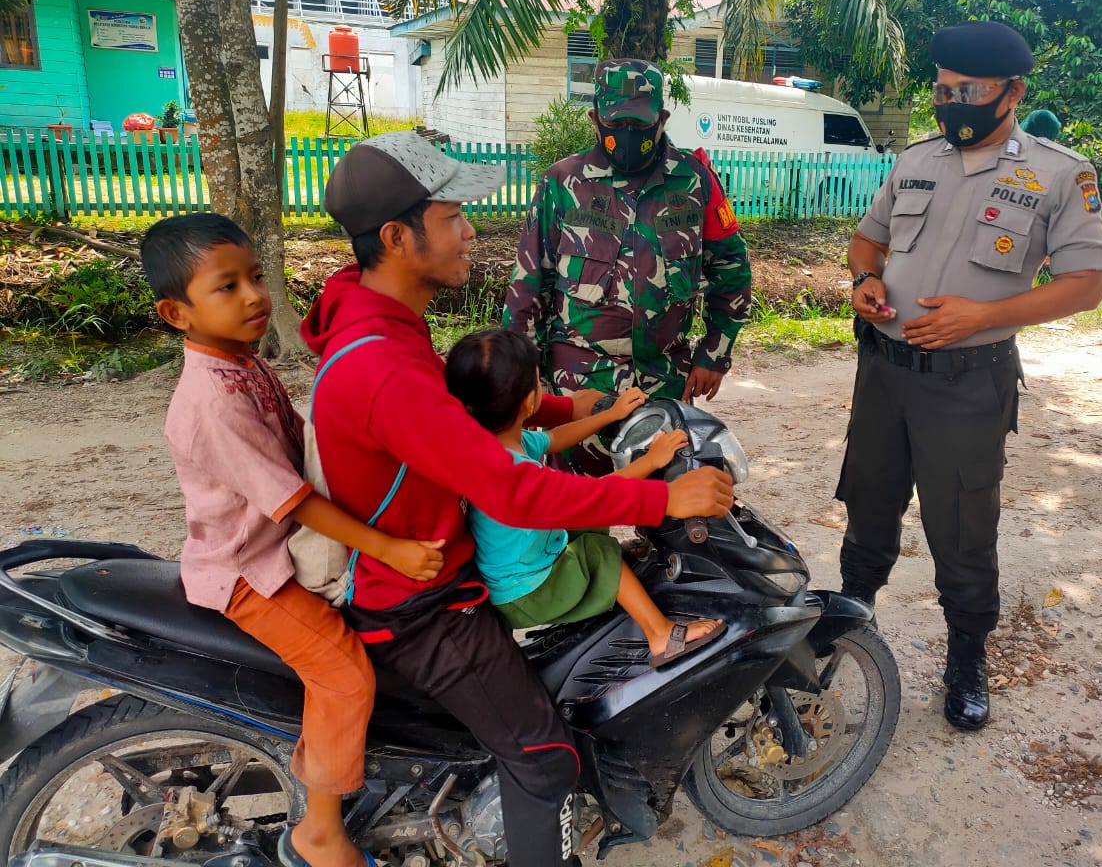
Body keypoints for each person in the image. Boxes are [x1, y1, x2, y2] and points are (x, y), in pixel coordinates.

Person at [300, 130, 735, 867]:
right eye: (453, 218)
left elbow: (466, 419)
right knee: (547, 762)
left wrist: (575, 411)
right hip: (427, 607)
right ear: (400, 237)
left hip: (433, 566)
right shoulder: (386, 368)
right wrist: (664, 504)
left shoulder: (375, 320)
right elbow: (512, 489)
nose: (472, 231)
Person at [140, 214, 446, 867]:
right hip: (252, 572)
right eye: (227, 287)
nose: (254, 295)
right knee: (342, 674)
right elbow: (294, 498)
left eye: (255, 277)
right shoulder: (213, 402)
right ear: (177, 312)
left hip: (278, 544)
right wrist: (387, 548)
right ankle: (320, 833)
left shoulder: (240, 365)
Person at [836, 21, 1102, 731]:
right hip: (884, 373)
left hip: (967, 382)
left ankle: (966, 656)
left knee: (960, 524)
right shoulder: (917, 159)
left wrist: (980, 316)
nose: (949, 102)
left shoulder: (1059, 173)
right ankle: (847, 623)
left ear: (1013, 92)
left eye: (968, 91)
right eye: (942, 89)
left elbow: (1085, 284)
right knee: (867, 502)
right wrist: (865, 279)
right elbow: (868, 238)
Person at [503, 58, 752, 474]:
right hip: (579, 383)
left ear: (662, 120)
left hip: (664, 379)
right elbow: (529, 284)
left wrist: (715, 354)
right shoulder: (563, 183)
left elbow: (732, 268)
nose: (628, 137)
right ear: (595, 120)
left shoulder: (695, 181)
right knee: (574, 518)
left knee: (670, 508)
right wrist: (522, 373)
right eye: (616, 126)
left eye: (640, 126)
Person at [444, 328, 726, 665]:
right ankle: (660, 634)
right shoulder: (518, 467)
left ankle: (616, 577)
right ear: (528, 401)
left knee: (588, 529)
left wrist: (607, 415)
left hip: (515, 571)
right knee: (598, 550)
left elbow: (553, 439)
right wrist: (651, 460)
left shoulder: (493, 443)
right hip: (526, 592)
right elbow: (599, 494)